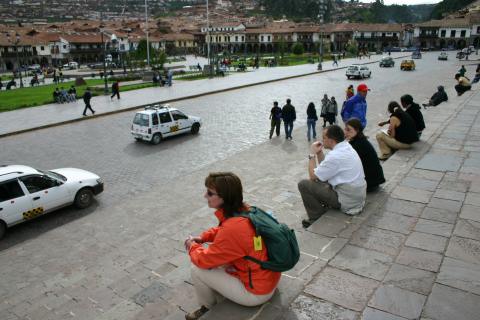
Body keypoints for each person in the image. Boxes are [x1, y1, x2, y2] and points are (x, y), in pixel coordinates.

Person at [184, 172, 280, 320]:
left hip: (256, 293)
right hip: (269, 278)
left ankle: (207, 308)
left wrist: (192, 246)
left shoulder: (232, 228)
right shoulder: (247, 210)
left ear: (224, 197)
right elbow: (224, 231)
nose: (205, 196)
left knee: (197, 269)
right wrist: (204, 237)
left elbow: (203, 260)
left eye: (210, 193)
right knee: (220, 260)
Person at [298, 125, 367, 228]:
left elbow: (313, 176)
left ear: (331, 140)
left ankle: (315, 218)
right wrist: (319, 152)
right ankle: (323, 208)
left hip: (347, 201)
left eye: (324, 138)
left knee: (303, 184)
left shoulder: (335, 156)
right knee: (321, 180)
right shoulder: (346, 147)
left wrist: (312, 155)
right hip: (356, 196)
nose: (322, 140)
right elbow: (325, 171)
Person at [344, 118, 385, 192]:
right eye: (345, 129)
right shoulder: (359, 140)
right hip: (374, 180)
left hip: (370, 183)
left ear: (357, 130)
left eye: (348, 130)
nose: (345, 132)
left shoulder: (358, 145)